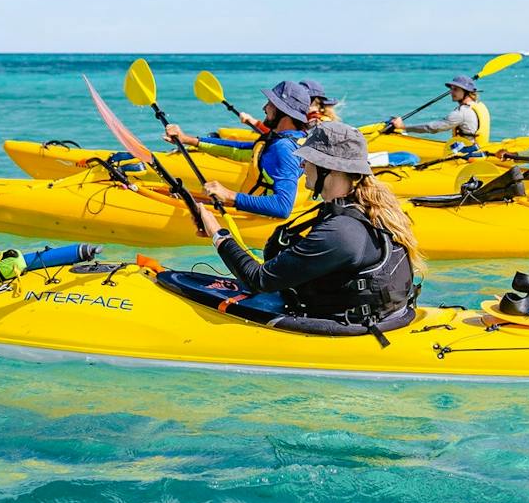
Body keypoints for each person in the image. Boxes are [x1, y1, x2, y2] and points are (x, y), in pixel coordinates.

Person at [196, 121, 423, 329]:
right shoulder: (365, 209)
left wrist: (218, 234)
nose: (302, 165)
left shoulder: (341, 231)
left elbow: (260, 279)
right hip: (388, 317)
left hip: (362, 330)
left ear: (330, 170)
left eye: (309, 160)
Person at [165, 79, 311, 219]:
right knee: (179, 194)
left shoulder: (283, 148)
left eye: (270, 103)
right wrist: (188, 140)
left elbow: (283, 207)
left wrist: (229, 195)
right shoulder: (294, 139)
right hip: (261, 211)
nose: (265, 108)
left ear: (283, 111)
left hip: (260, 219)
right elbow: (239, 150)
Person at [386, 75, 491, 149]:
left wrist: (403, 127)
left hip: (467, 154)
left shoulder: (461, 113)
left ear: (466, 92)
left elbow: (432, 128)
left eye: (456, 89)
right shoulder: (479, 105)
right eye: (451, 89)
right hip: (478, 148)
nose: (451, 92)